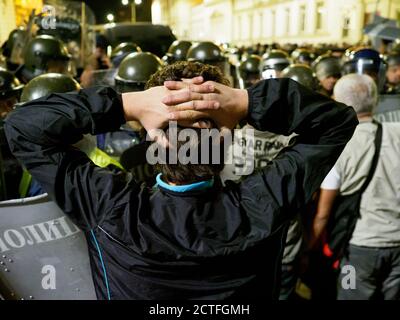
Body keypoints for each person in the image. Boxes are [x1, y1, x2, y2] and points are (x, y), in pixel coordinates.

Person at [4, 61, 357, 300]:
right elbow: (336, 122)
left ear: (152, 137)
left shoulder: (112, 208)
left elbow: (23, 127)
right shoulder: (264, 204)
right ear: (226, 138)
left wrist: (128, 104)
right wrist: (246, 101)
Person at [313, 74, 400, 300]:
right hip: (398, 246)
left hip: (357, 251)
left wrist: (307, 248)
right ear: (376, 100)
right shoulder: (397, 133)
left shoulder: (339, 145)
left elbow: (323, 213)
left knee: (350, 293)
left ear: (338, 103)